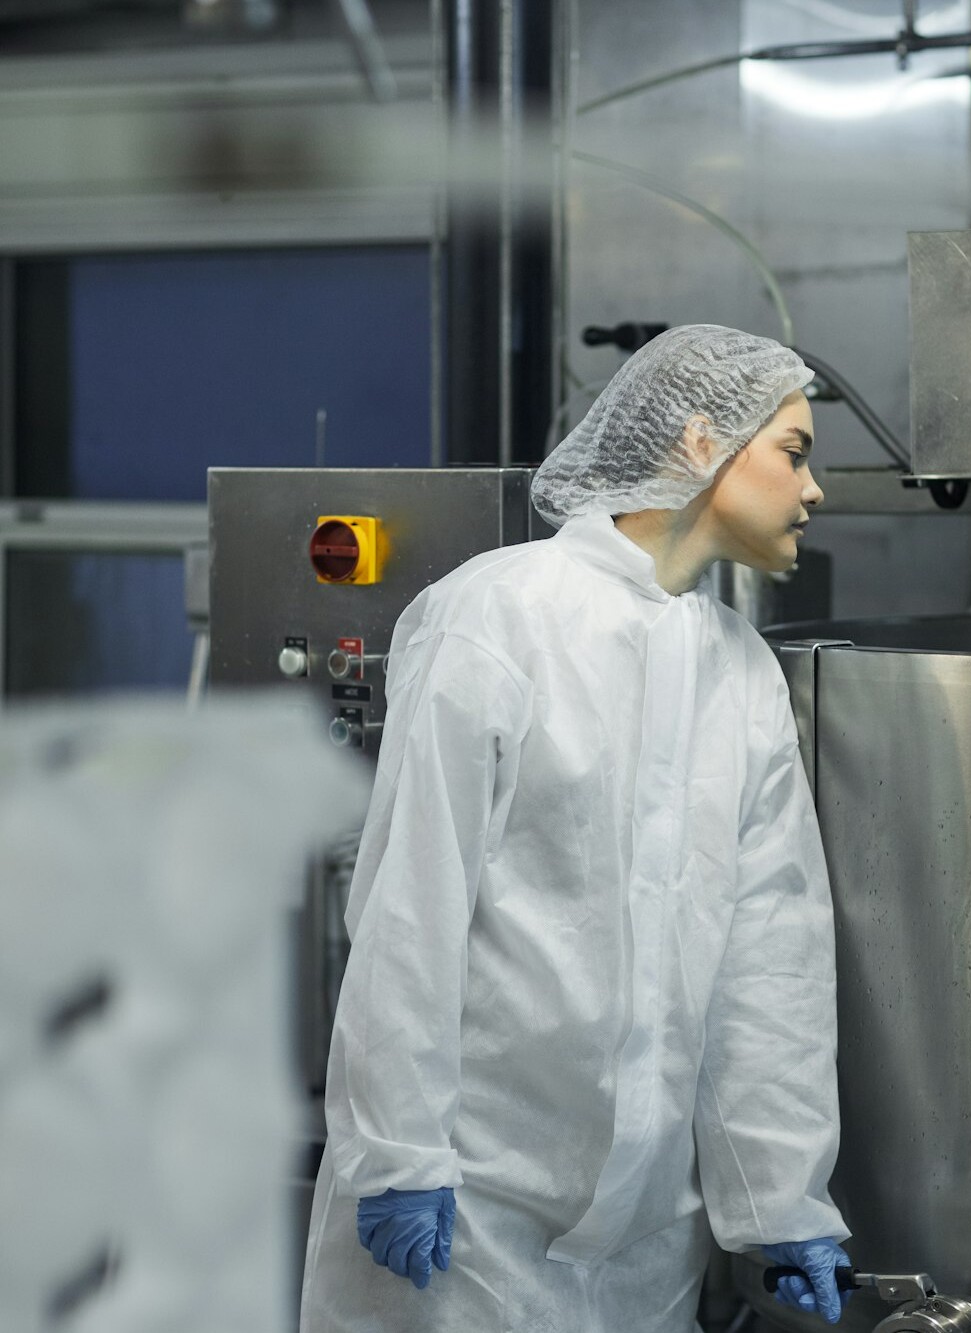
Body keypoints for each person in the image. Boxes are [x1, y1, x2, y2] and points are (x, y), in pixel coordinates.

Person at [299, 324, 851, 1333]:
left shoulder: (738, 669)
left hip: (646, 1243)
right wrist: (401, 1154)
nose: (813, 492)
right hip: (468, 1220)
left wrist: (778, 1196)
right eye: (794, 452)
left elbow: (769, 958)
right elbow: (414, 906)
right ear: (698, 441)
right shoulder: (497, 618)